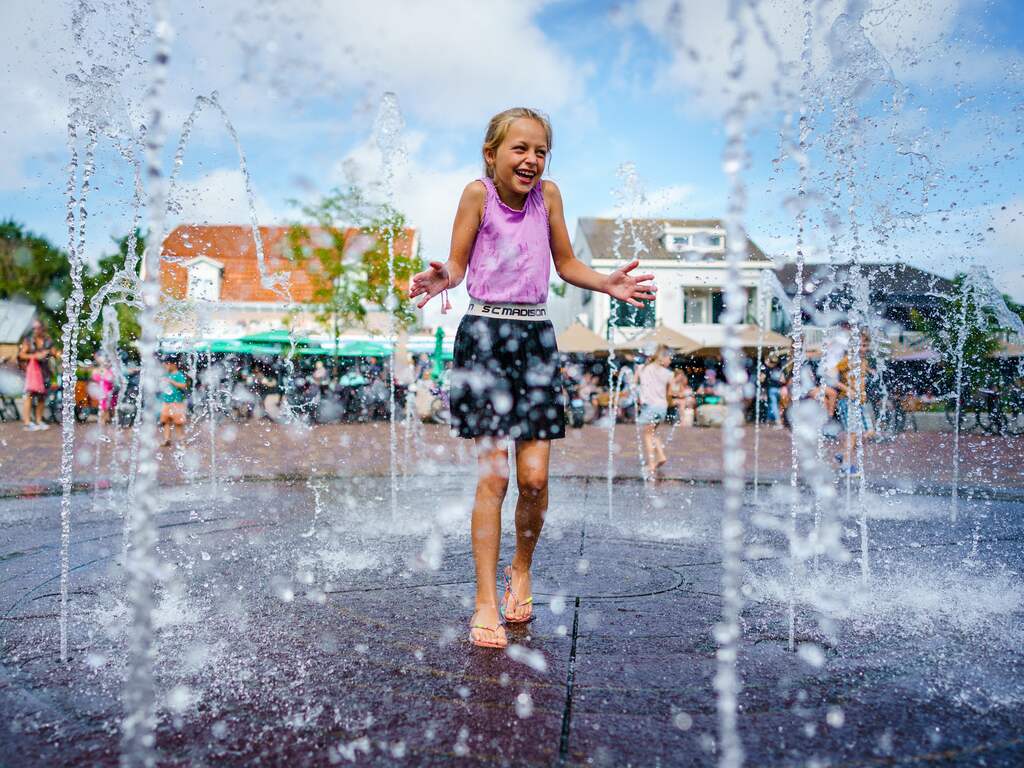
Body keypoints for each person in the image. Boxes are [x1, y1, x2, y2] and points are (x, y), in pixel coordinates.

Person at [409, 107, 655, 649]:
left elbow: (566, 264)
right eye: (519, 149)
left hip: (537, 337)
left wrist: (606, 284)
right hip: (486, 338)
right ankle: (484, 601)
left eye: (540, 150)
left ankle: (520, 570)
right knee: (495, 477)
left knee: (536, 479)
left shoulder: (550, 196)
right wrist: (439, 278)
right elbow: (455, 263)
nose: (531, 159)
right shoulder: (477, 195)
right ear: (491, 154)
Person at [636, 346, 674, 477]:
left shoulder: (644, 368)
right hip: (662, 406)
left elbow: (634, 381)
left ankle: (652, 463)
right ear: (662, 357)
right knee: (652, 433)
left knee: (647, 435)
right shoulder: (669, 373)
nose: (670, 360)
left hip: (650, 406)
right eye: (669, 357)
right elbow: (670, 392)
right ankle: (661, 455)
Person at [17, 320, 54, 431]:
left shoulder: (48, 341)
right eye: (33, 328)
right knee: (29, 396)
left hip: (44, 372)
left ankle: (38, 420)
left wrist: (51, 354)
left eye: (37, 327)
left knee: (42, 396)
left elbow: (53, 352)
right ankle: (27, 422)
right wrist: (35, 356)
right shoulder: (28, 340)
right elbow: (21, 355)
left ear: (42, 328)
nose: (35, 330)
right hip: (32, 373)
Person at [159, 357, 188, 447]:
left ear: (173, 364)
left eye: (167, 364)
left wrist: (171, 381)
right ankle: (167, 439)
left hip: (177, 402)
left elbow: (184, 385)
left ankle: (181, 441)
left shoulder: (179, 374)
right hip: (166, 402)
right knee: (165, 422)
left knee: (178, 423)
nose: (165, 366)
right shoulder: (167, 374)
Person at [89, 354, 116, 425]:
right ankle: (103, 419)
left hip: (109, 391)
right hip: (103, 392)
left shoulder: (109, 371)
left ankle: (107, 418)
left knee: (109, 401)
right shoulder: (97, 371)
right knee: (105, 401)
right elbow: (95, 379)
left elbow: (111, 380)